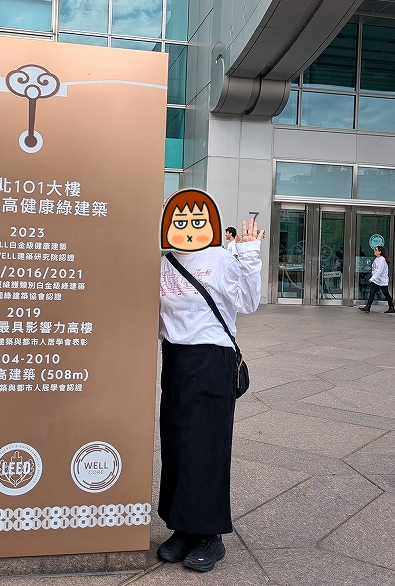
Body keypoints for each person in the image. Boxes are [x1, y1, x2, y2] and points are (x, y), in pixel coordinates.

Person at [158, 190, 263, 573]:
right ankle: (182, 527)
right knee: (177, 443)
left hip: (212, 360)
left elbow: (248, 302)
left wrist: (249, 254)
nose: (188, 229)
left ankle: (209, 536)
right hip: (176, 360)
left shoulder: (219, 258)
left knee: (206, 446)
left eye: (197, 221)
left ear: (211, 225)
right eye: (180, 221)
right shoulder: (165, 263)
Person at [358, 245, 395, 313]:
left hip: (382, 280)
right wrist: (374, 278)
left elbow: (379, 271)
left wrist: (372, 278)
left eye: (376, 250)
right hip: (376, 280)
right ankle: (368, 306)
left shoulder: (382, 260)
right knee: (372, 293)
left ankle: (391, 307)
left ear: (380, 252)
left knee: (386, 293)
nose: (374, 251)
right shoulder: (376, 259)